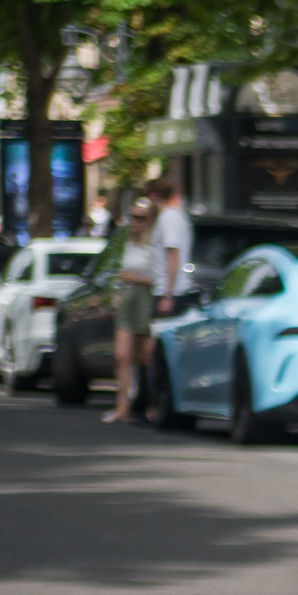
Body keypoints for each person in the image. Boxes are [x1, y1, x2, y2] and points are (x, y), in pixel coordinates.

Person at [103, 198, 159, 425]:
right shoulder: (129, 242)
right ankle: (122, 408)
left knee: (146, 356)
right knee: (122, 356)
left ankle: (152, 406)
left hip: (145, 298)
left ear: (150, 220)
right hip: (128, 298)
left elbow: (158, 277)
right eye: (133, 217)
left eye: (141, 218)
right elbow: (120, 271)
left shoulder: (154, 244)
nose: (135, 222)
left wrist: (134, 278)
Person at [146, 178, 191, 320]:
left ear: (153, 195)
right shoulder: (175, 215)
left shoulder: (168, 218)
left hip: (169, 292)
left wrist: (168, 295)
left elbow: (173, 256)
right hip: (171, 290)